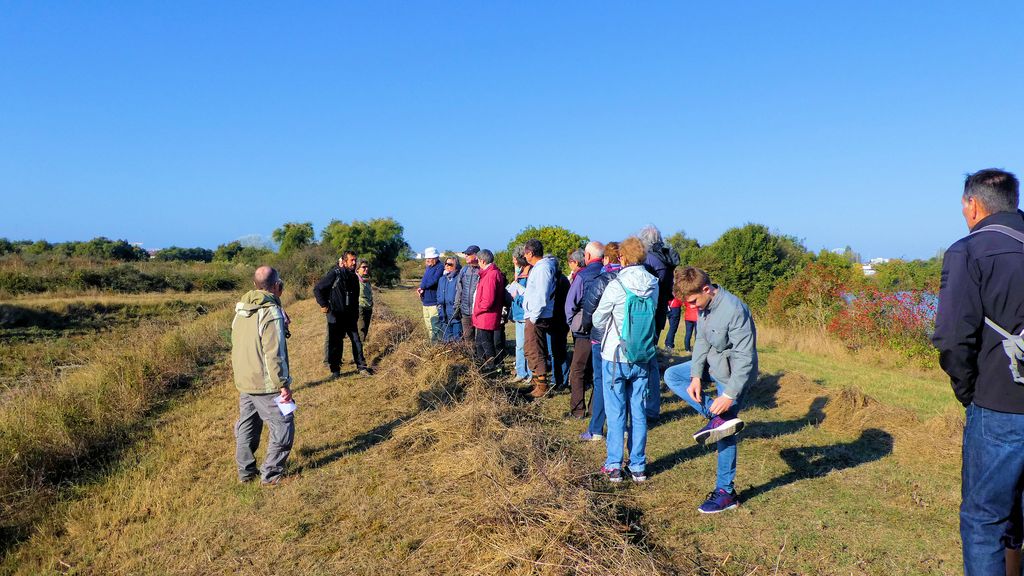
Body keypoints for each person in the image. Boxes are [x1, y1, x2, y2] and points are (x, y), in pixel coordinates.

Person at [932, 168, 1024, 575]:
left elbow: (953, 338)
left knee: (984, 520)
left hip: (999, 404)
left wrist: (969, 390)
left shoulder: (969, 250)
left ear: (972, 204)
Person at [664, 266, 757, 514]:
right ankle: (716, 417)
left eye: (694, 301)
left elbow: (745, 358)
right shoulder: (704, 307)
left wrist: (728, 396)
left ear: (707, 289)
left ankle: (726, 492)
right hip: (712, 365)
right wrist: (695, 376)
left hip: (734, 374)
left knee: (726, 433)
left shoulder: (734, 310)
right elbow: (702, 342)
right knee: (673, 374)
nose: (692, 307)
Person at [592, 237, 658, 483]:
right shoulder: (654, 284)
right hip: (642, 355)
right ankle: (638, 465)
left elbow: (598, 318)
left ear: (623, 258)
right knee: (638, 412)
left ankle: (614, 465)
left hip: (615, 355)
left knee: (616, 411)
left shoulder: (616, 285)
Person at [232, 266, 294, 486]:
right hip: (265, 382)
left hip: (244, 380)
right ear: (277, 286)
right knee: (284, 424)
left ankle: (245, 473)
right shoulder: (270, 312)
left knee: (248, 426)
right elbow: (274, 353)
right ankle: (271, 475)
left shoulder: (241, 309)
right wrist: (283, 385)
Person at [579, 241, 621, 441]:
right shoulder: (633, 279)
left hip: (601, 338)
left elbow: (589, 310)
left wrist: (588, 329)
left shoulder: (602, 280)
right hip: (627, 340)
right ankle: (623, 426)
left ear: (605, 258)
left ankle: (596, 429)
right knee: (623, 385)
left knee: (601, 383)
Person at [639, 225, 677, 421]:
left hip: (648, 315)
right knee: (650, 357)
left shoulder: (650, 260)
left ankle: (648, 405)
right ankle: (650, 404)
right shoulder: (664, 258)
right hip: (660, 312)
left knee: (646, 360)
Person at [314, 251, 370, 377]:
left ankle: (362, 367)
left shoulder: (354, 278)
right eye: (351, 260)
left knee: (356, 340)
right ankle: (335, 370)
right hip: (336, 315)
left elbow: (355, 298)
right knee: (336, 343)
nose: (354, 263)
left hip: (349, 316)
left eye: (355, 260)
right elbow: (318, 289)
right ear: (344, 262)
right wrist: (323, 305)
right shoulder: (335, 274)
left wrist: (355, 315)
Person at [565, 242, 604, 418]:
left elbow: (570, 303)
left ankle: (578, 410)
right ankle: (595, 409)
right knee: (599, 373)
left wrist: (572, 322)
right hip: (605, 329)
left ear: (587, 256)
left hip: (585, 330)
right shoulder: (609, 273)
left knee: (577, 370)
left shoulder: (583, 276)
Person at [522, 239, 557, 398]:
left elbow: (542, 295)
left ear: (530, 253)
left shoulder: (543, 269)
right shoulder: (539, 268)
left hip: (538, 315)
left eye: (525, 252)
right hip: (533, 314)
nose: (524, 255)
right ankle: (536, 382)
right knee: (530, 348)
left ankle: (542, 386)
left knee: (535, 349)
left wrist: (534, 317)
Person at [472, 249, 508, 374]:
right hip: (485, 317)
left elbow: (488, 301)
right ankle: (490, 368)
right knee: (484, 343)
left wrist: (477, 309)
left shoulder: (491, 275)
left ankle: (492, 369)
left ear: (482, 260)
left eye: (478, 261)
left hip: (486, 317)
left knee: (487, 345)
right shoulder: (489, 273)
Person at [508, 245, 532, 383]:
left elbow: (528, 294)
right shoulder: (520, 271)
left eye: (514, 259)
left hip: (525, 313)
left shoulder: (530, 273)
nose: (513, 261)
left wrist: (517, 294)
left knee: (526, 345)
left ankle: (529, 373)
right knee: (519, 345)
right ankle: (521, 372)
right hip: (518, 313)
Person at [549, 254, 571, 391]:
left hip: (559, 319)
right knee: (555, 351)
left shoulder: (559, 280)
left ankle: (561, 379)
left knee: (559, 351)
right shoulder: (560, 279)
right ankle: (557, 378)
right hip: (557, 319)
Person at [455, 245, 481, 344]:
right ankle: (471, 359)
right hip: (465, 311)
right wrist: (457, 305)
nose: (466, 256)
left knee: (480, 339)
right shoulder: (464, 270)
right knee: (468, 338)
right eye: (465, 254)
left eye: (468, 254)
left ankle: (481, 359)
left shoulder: (483, 269)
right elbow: (459, 289)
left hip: (478, 311)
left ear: (476, 255)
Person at [417, 247, 444, 342]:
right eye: (427, 258)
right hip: (426, 301)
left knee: (435, 325)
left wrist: (423, 287)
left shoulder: (440, 267)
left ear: (436, 258)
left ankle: (438, 345)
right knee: (429, 325)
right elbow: (424, 280)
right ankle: (432, 344)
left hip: (434, 301)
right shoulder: (429, 267)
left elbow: (434, 280)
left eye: (430, 258)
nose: (427, 260)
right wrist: (421, 288)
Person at [436, 255, 463, 343]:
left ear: (456, 266)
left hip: (455, 316)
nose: (447, 266)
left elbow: (461, 295)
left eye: (450, 264)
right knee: (446, 341)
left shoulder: (459, 278)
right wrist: (439, 308)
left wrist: (457, 311)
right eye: (446, 264)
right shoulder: (442, 279)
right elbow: (438, 295)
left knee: (457, 341)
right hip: (444, 315)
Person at [356, 259, 373, 342]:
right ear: (357, 269)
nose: (366, 269)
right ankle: (359, 352)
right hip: (360, 308)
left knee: (365, 330)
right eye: (363, 267)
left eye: (367, 267)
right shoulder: (354, 280)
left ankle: (361, 348)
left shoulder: (367, 280)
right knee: (361, 330)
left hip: (368, 308)